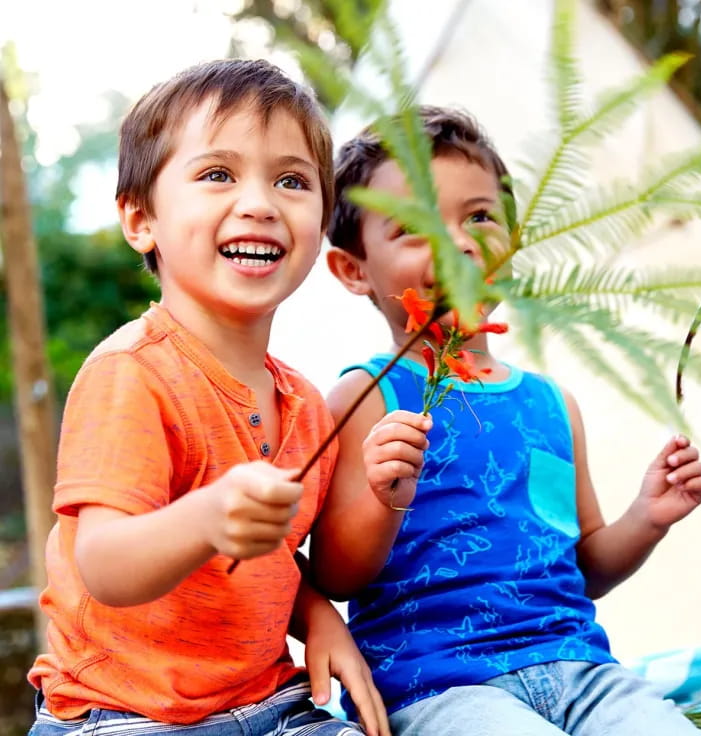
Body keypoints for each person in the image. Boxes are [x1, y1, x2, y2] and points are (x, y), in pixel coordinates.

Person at [27, 59, 427, 736]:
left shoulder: (303, 401)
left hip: (269, 705)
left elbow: (275, 560)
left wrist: (320, 613)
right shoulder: (132, 373)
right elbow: (104, 564)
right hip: (123, 715)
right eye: (218, 174)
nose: (261, 203)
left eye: (292, 181)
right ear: (139, 220)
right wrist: (206, 517)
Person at [312, 105, 701, 736]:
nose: (461, 244)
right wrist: (383, 500)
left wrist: (646, 517)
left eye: (478, 218)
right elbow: (334, 576)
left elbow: (582, 564)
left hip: (582, 671)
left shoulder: (553, 405)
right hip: (437, 688)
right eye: (416, 228)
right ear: (354, 268)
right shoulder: (364, 398)